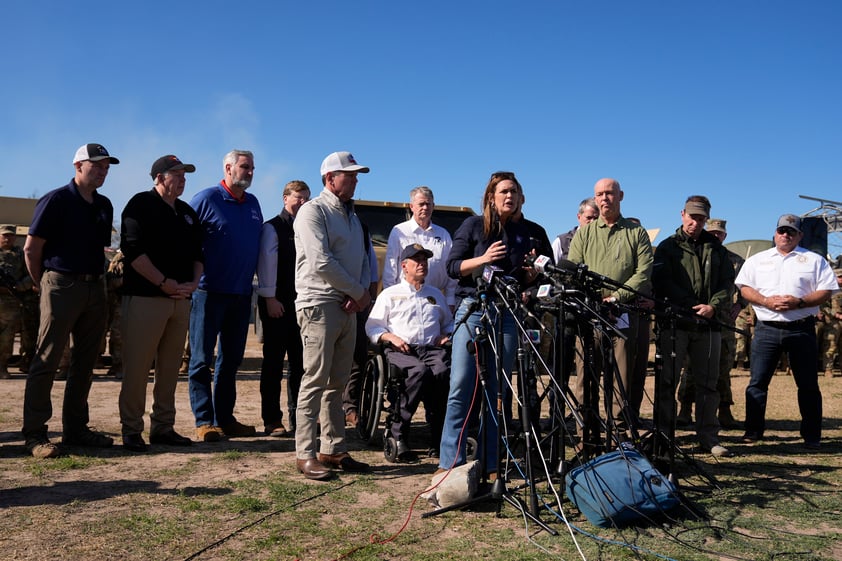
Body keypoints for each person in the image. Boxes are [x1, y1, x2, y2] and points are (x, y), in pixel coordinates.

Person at [439, 171, 544, 475]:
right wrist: (482, 259)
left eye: (514, 191)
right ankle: (450, 464)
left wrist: (530, 276)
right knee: (461, 385)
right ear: (491, 197)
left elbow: (524, 281)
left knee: (497, 391)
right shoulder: (474, 225)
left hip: (508, 314)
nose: (509, 196)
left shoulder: (529, 232)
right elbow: (452, 267)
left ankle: (490, 463)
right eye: (503, 192)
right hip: (473, 310)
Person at [22, 143, 119, 458]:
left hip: (95, 287)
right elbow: (31, 248)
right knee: (48, 360)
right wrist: (45, 284)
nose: (103, 171)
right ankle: (35, 435)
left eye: (106, 167)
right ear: (78, 165)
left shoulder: (104, 205)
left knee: (86, 362)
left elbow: (99, 250)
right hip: (61, 283)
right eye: (97, 165)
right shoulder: (56, 200)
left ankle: (76, 429)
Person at [293, 151, 372, 480]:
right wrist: (356, 291)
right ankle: (304, 453)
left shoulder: (353, 216)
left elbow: (365, 259)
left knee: (337, 382)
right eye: (349, 175)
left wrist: (358, 292)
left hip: (346, 307)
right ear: (330, 179)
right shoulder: (312, 212)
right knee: (314, 380)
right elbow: (321, 261)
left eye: (356, 176)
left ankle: (333, 448)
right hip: (319, 304)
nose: (354, 181)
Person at [118, 155, 204, 452]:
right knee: (138, 368)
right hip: (146, 298)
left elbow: (198, 254)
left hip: (180, 300)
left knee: (169, 368)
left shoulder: (186, 212)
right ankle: (131, 430)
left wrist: (193, 282)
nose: (182, 180)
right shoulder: (140, 205)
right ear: (158, 177)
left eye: (185, 175)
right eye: (176, 174)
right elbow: (132, 251)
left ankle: (163, 428)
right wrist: (163, 283)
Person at [735, 214, 838, 449]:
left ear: (800, 235)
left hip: (801, 330)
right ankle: (753, 431)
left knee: (808, 385)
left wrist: (800, 302)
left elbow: (827, 290)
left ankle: (812, 436)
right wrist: (765, 301)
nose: (785, 235)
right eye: (782, 230)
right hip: (767, 330)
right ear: (775, 233)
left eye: (791, 231)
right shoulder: (758, 260)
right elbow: (745, 288)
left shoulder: (814, 260)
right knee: (757, 383)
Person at [567, 178, 653, 446]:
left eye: (610, 193)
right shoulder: (585, 233)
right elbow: (572, 270)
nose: (605, 198)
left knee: (622, 377)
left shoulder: (636, 233)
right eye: (599, 194)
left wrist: (618, 296)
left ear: (621, 196)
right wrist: (593, 299)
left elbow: (643, 272)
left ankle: (619, 434)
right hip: (590, 314)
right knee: (586, 375)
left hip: (623, 314)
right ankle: (587, 434)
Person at [188, 150, 263, 442]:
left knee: (231, 360)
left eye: (252, 168)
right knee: (201, 359)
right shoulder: (206, 199)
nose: (250, 172)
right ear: (228, 168)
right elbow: (187, 240)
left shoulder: (254, 204)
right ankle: (204, 421)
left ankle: (225, 418)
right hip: (208, 292)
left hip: (241, 294)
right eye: (245, 167)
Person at [651, 197, 734, 457]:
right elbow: (662, 281)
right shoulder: (667, 247)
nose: (694, 222)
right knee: (667, 382)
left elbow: (726, 284)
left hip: (708, 326)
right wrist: (690, 305)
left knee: (709, 384)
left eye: (700, 218)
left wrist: (713, 307)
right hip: (676, 324)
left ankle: (708, 437)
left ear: (706, 219)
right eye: (691, 216)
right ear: (682, 214)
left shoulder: (717, 249)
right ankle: (664, 435)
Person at [366, 243, 453, 461]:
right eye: (417, 261)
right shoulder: (390, 294)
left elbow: (450, 324)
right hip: (401, 350)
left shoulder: (435, 294)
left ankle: (438, 437)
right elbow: (373, 326)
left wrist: (446, 335)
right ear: (404, 266)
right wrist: (390, 337)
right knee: (419, 371)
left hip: (432, 349)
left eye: (425, 260)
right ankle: (398, 433)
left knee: (443, 371)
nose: (423, 264)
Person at [676, 217, 745, 429]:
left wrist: (740, 305)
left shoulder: (735, 260)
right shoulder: (695, 251)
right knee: (689, 367)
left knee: (723, 367)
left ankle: (724, 411)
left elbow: (745, 285)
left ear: (725, 235)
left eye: (720, 233)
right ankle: (685, 409)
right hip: (695, 317)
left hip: (722, 322)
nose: (716, 236)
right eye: (712, 232)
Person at [256, 180, 310, 437]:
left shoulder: (307, 228)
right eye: (298, 197)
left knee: (300, 366)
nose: (302, 202)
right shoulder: (272, 228)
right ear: (285, 198)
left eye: (306, 198)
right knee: (274, 365)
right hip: (276, 303)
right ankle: (272, 420)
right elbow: (266, 264)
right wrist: (270, 298)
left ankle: (299, 419)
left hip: (301, 305)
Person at [382, 186, 457, 309]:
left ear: (433, 206)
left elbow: (451, 271)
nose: (425, 208)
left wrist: (450, 300)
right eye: (421, 204)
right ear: (411, 206)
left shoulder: (443, 234)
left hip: (435, 301)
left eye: (428, 204)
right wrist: (391, 298)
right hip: (404, 300)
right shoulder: (399, 231)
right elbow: (390, 269)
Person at [0, 225, 33, 378]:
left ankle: (2, 366)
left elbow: (30, 274)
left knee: (7, 336)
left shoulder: (20, 255)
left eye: (10, 236)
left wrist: (18, 286)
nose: (7, 238)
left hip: (11, 301)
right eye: (4, 235)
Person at [551, 198, 599, 263]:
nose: (592, 222)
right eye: (589, 218)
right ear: (579, 217)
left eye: (596, 218)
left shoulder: (603, 240)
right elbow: (550, 268)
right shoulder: (562, 242)